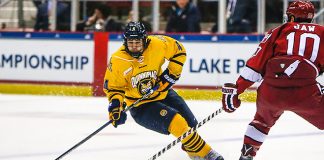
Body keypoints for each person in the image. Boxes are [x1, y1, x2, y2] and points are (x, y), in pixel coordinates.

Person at [103, 21, 224, 160]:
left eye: (138, 42)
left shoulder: (157, 44)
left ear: (145, 40)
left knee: (191, 124)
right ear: (125, 41)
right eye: (131, 43)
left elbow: (179, 50)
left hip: (162, 93)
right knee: (177, 121)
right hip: (141, 106)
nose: (134, 47)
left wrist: (171, 74)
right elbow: (114, 87)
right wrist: (116, 107)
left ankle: (195, 155)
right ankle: (208, 154)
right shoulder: (118, 59)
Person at [221, 1, 324, 160]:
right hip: (305, 91)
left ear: (291, 17)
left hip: (272, 89)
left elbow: (254, 66)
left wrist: (238, 89)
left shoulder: (278, 31)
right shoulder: (322, 32)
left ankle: (246, 156)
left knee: (261, 122)